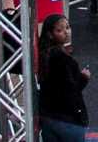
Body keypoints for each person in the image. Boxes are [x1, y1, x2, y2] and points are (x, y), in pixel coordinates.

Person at [37, 12, 90, 141]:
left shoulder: (44, 56)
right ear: (50, 34)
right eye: (60, 30)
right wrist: (84, 78)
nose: (67, 32)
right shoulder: (62, 59)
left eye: (67, 27)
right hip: (68, 121)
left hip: (48, 118)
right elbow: (70, 90)